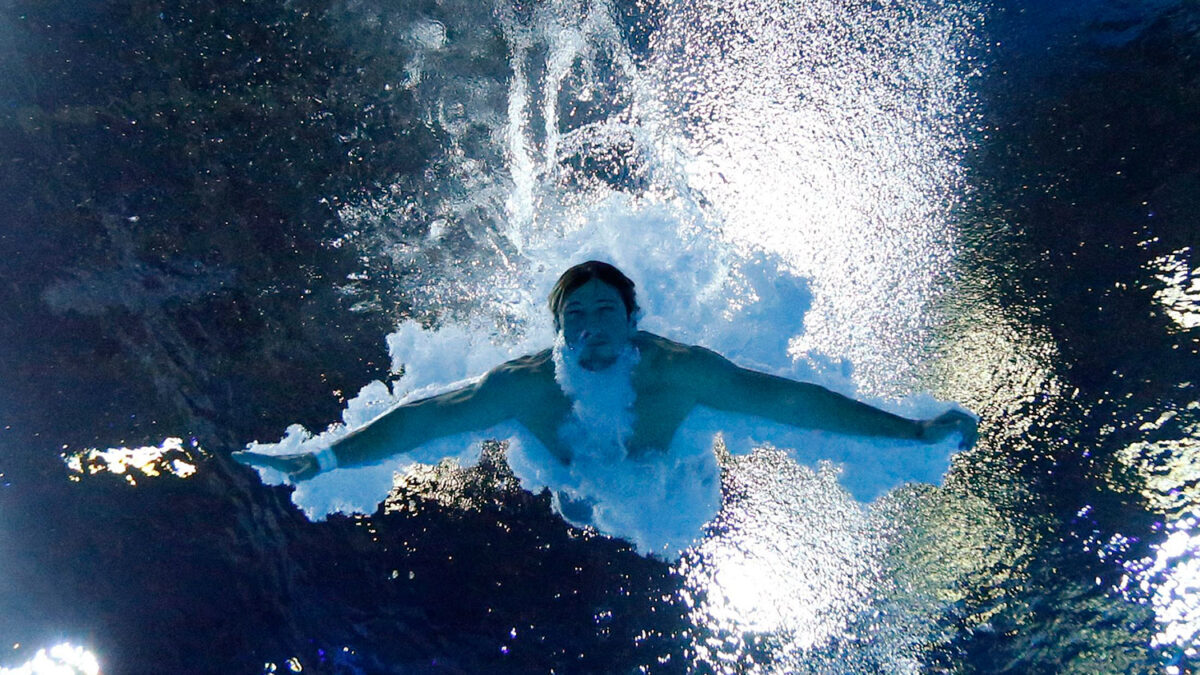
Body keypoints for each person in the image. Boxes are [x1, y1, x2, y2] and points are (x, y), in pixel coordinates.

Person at [233, 261, 977, 482]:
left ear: (632, 319)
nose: (590, 329)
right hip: (570, 474)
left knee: (662, 485)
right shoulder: (523, 383)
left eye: (603, 312)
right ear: (557, 331)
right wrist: (324, 456)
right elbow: (426, 416)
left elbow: (790, 400)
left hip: (663, 469)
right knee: (578, 502)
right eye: (575, 317)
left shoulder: (682, 373)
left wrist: (912, 429)